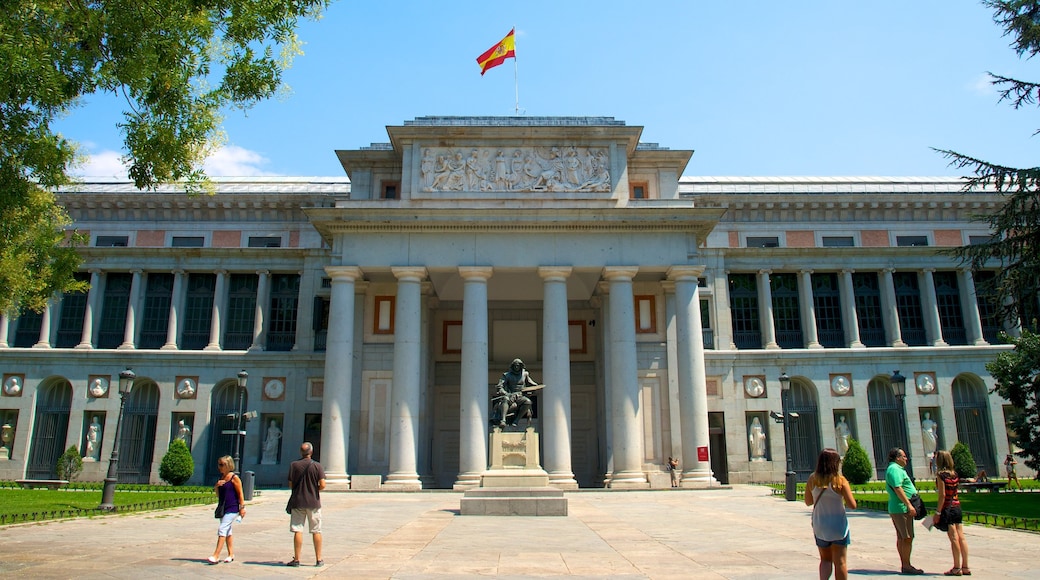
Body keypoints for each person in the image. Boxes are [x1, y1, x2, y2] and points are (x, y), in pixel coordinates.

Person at [805, 448, 857, 580]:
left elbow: (808, 502)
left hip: (820, 525)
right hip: (838, 525)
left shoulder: (813, 479)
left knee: (825, 560)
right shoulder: (840, 481)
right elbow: (853, 505)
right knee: (840, 561)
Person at [286, 442, 326, 567]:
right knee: (316, 531)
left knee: (298, 530)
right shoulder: (317, 466)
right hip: (313, 502)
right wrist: (314, 490)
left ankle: (297, 559)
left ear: (301, 452)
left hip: (298, 501)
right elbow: (323, 484)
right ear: (311, 452)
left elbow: (291, 485)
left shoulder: (294, 465)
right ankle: (319, 559)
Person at [885, 447, 923, 575]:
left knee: (902, 537)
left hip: (899, 507)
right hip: (901, 508)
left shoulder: (894, 469)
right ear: (897, 458)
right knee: (907, 537)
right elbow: (897, 488)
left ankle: (905, 563)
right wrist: (908, 505)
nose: (906, 459)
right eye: (904, 456)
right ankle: (906, 565)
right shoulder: (894, 469)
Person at [934, 450, 971, 576]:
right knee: (962, 537)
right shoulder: (954, 474)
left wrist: (938, 513)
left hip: (947, 508)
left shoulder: (941, 475)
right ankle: (965, 566)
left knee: (954, 538)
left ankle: (956, 567)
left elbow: (942, 495)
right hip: (957, 507)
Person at [208, 455, 245, 564]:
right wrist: (216, 486)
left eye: (222, 465)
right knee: (228, 531)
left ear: (228, 465)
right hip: (223, 507)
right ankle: (231, 554)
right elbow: (218, 495)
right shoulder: (222, 478)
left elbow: (240, 494)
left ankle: (216, 555)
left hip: (232, 508)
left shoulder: (234, 478)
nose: (219, 467)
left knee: (222, 529)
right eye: (219, 464)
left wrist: (242, 508)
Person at [493, 358, 537, 428]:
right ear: (512, 366)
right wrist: (504, 392)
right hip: (510, 395)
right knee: (505, 399)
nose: (516, 367)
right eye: (515, 365)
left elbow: (532, 384)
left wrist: (533, 389)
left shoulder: (525, 374)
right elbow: (500, 386)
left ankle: (516, 420)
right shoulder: (506, 375)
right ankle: (503, 420)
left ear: (521, 366)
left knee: (528, 402)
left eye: (518, 366)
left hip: (520, 396)